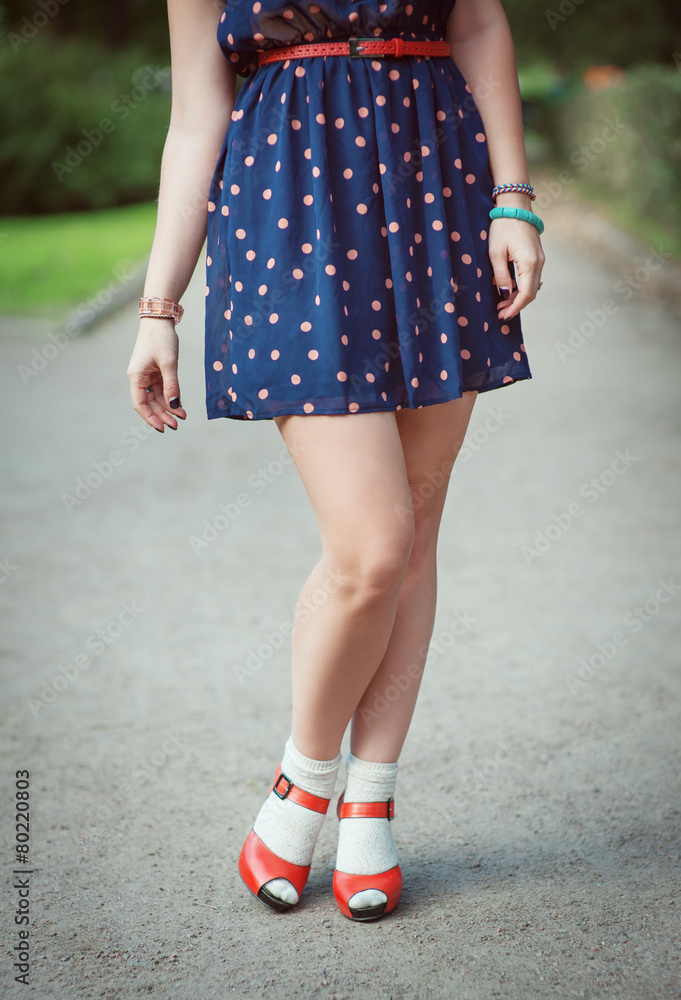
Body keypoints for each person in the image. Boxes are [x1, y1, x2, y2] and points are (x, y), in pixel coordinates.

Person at [127, 0, 545, 922]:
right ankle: (305, 777)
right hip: (288, 214)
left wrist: (513, 199)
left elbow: (476, 23)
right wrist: (160, 309)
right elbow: (198, 113)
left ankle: (372, 794)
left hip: (437, 186)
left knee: (418, 527)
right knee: (373, 545)